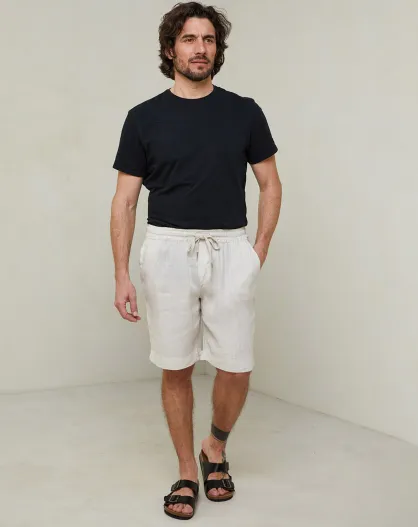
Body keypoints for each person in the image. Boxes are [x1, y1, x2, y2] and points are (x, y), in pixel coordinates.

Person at [110, 1, 282, 520]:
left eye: (208, 39)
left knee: (236, 365)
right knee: (176, 365)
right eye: (189, 39)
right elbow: (124, 201)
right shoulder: (143, 118)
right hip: (167, 249)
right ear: (171, 49)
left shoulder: (244, 112)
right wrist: (121, 273)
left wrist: (257, 251)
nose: (200, 48)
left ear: (217, 50)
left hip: (230, 247)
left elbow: (270, 183)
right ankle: (188, 469)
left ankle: (215, 447)